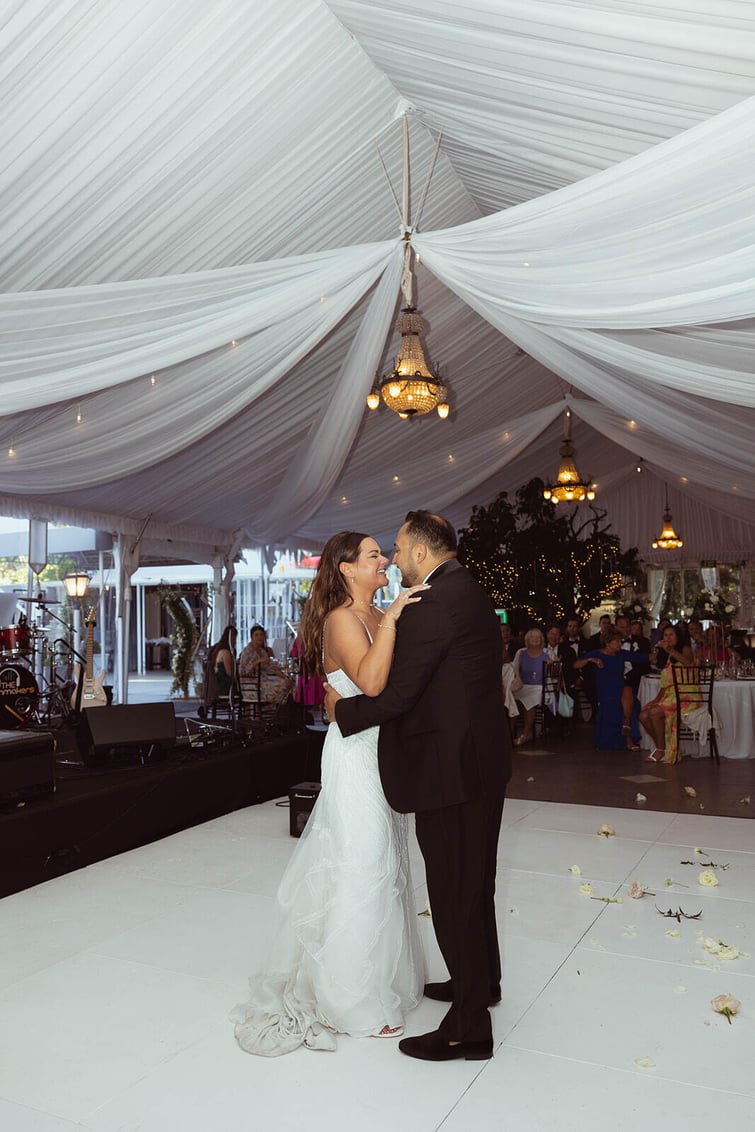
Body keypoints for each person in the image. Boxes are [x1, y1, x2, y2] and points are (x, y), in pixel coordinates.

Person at [231, 532, 427, 1056]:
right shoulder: (345, 618)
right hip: (356, 755)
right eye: (372, 556)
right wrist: (391, 621)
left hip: (379, 749)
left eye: (383, 554)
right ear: (345, 569)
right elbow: (373, 681)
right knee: (361, 865)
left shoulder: (376, 611)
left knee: (382, 863)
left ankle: (372, 981)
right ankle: (349, 1000)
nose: (383, 559)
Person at [325, 510, 510, 1063]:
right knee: (474, 883)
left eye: (400, 550)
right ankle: (482, 985)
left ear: (423, 554)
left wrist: (344, 712)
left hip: (449, 769)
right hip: (479, 762)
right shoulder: (469, 589)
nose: (394, 559)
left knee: (454, 891)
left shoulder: (432, 602)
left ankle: (467, 1031)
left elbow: (399, 693)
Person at [573, 627, 648, 751]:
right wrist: (589, 660)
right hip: (605, 690)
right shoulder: (597, 653)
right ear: (608, 643)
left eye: (621, 642)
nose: (620, 644)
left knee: (628, 690)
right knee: (622, 699)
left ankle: (626, 723)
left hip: (620, 687)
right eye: (617, 642)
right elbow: (576, 665)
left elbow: (642, 658)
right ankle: (628, 739)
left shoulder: (622, 654)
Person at [638, 624, 694, 763]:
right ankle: (661, 747)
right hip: (669, 695)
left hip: (685, 694)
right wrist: (656, 700)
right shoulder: (665, 654)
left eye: (671, 635)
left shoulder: (684, 649)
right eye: (665, 635)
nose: (668, 638)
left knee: (654, 713)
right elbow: (665, 683)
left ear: (677, 637)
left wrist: (670, 650)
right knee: (643, 715)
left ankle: (660, 750)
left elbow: (687, 663)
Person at [237, 624, 294, 704]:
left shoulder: (263, 651)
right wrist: (257, 662)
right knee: (282, 686)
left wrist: (285, 677)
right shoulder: (247, 652)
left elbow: (272, 668)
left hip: (263, 682)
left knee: (289, 683)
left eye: (261, 635)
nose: (259, 637)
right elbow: (242, 672)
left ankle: (283, 710)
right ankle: (278, 709)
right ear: (251, 637)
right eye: (256, 635)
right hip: (252, 686)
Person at [511, 627, 549, 745]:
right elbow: (514, 669)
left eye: (538, 637)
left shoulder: (547, 653)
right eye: (533, 637)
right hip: (523, 685)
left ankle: (525, 735)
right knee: (512, 701)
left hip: (539, 687)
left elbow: (556, 670)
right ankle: (509, 733)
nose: (536, 639)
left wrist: (552, 664)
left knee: (529, 702)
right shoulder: (521, 653)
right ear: (527, 639)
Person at [209, 625, 237, 697]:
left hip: (218, 683)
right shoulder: (225, 652)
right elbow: (229, 672)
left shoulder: (219, 649)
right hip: (224, 685)